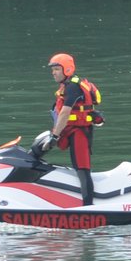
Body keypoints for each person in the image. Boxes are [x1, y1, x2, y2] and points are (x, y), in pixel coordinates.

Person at [37, 53, 103, 206]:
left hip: (79, 132)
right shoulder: (68, 86)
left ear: (67, 69)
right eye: (52, 70)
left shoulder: (73, 87)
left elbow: (65, 112)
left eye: (56, 69)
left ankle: (88, 207)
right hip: (71, 131)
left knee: (82, 168)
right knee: (78, 167)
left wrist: (54, 136)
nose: (53, 73)